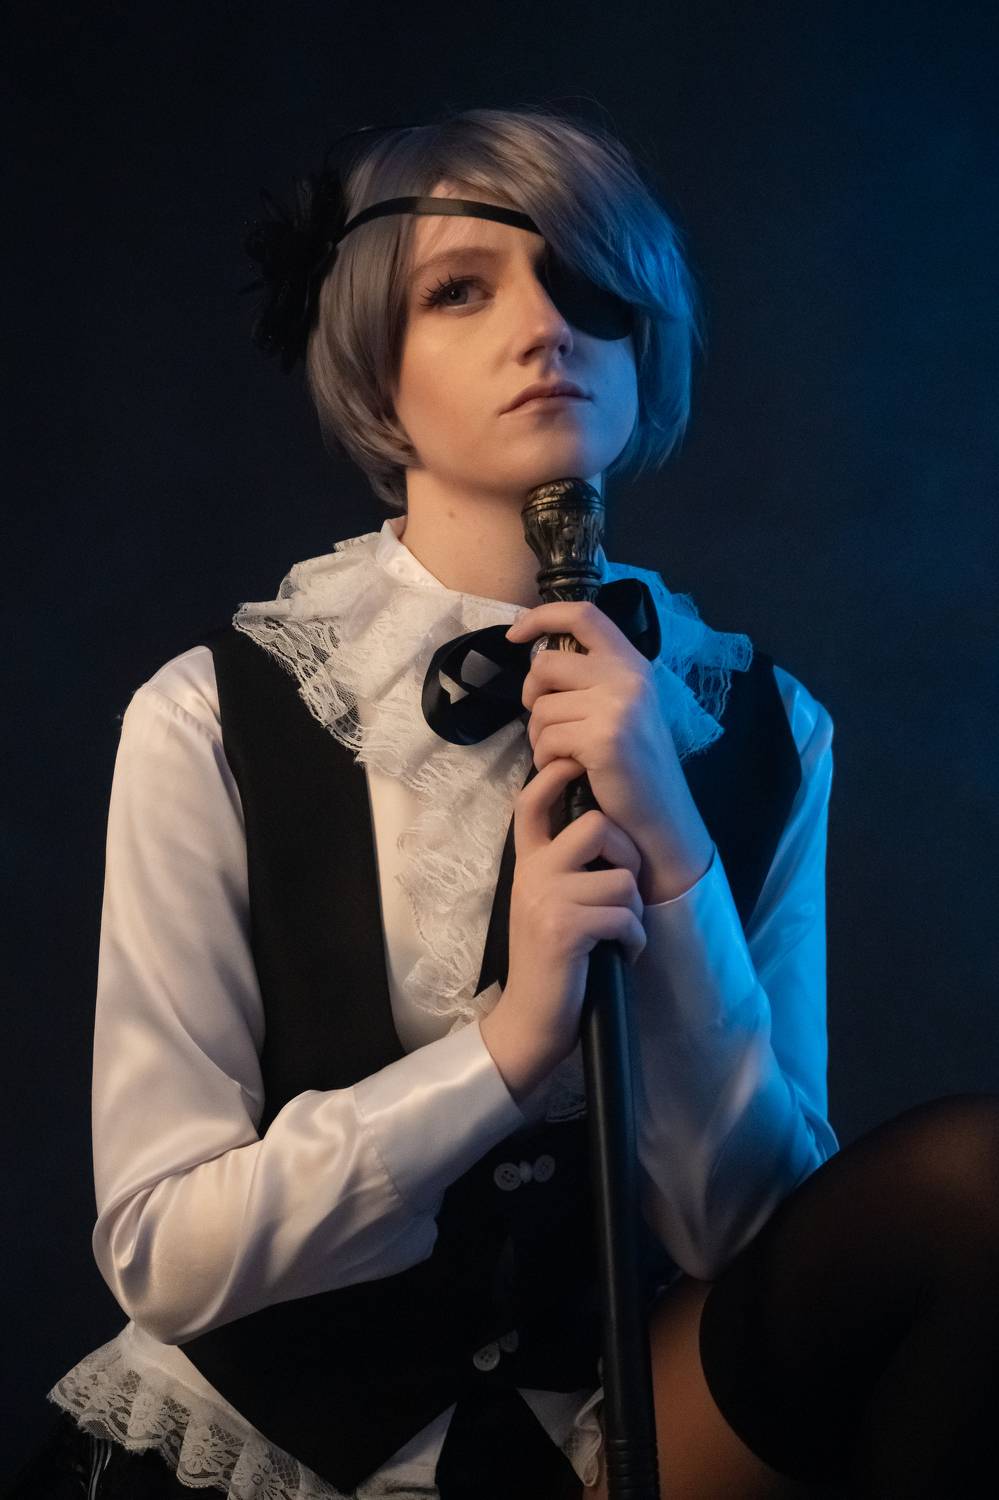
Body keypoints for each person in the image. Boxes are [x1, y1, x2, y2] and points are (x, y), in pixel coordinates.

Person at [8, 107, 998, 1500]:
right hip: (285, 1452)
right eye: (462, 290)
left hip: (615, 1441)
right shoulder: (207, 720)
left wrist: (676, 855)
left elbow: (761, 1245)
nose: (544, 329)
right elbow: (161, 1252)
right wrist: (506, 1047)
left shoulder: (770, 730)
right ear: (373, 357)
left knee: (975, 1195)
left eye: (587, 287)